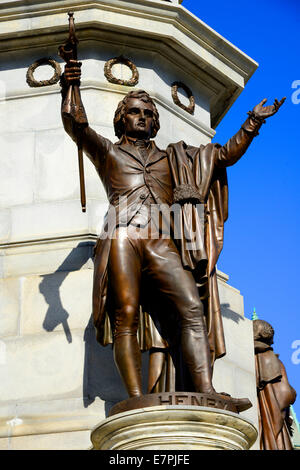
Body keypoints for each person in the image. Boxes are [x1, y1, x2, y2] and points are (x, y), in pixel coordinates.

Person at [60, 59, 285, 401]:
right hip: (122, 236)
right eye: (135, 112)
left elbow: (222, 156)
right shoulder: (107, 151)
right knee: (126, 318)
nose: (143, 118)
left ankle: (206, 390)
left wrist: (252, 122)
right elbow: (75, 124)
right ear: (122, 118)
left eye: (149, 114)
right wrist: (70, 84)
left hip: (163, 242)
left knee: (193, 309)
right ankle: (135, 397)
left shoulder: (175, 157)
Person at [253, 320, 297, 450]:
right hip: (272, 420)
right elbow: (286, 394)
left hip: (265, 419)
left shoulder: (253, 356)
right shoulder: (272, 359)